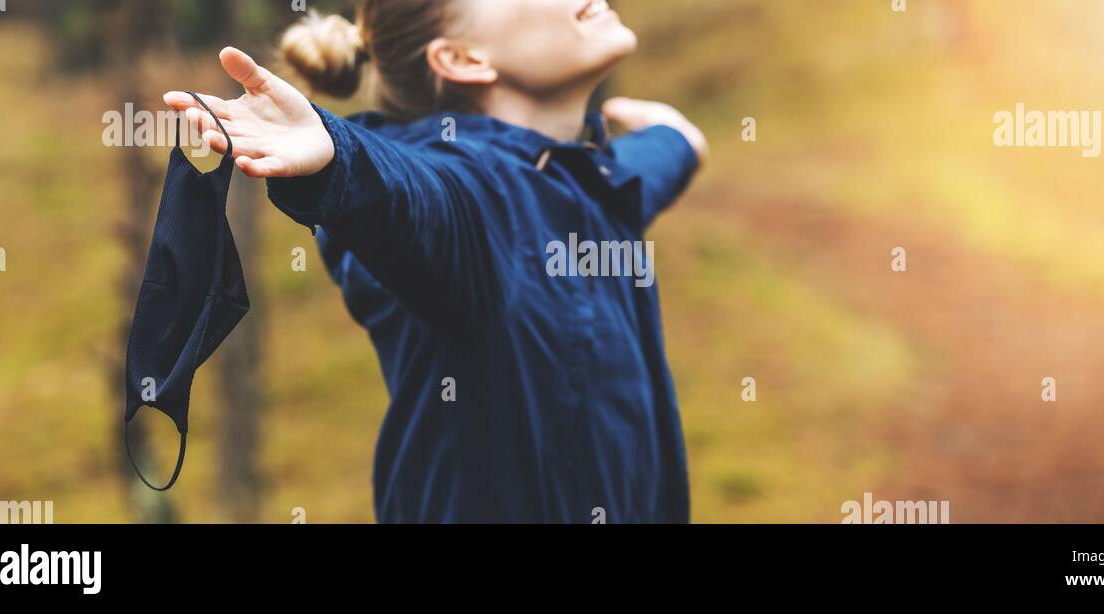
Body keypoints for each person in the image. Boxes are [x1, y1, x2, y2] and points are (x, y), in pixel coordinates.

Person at [163, 0, 707, 523]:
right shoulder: (466, 197)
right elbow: (409, 195)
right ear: (463, 59)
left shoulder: (593, 183)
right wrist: (335, 153)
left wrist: (679, 139)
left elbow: (638, 171)